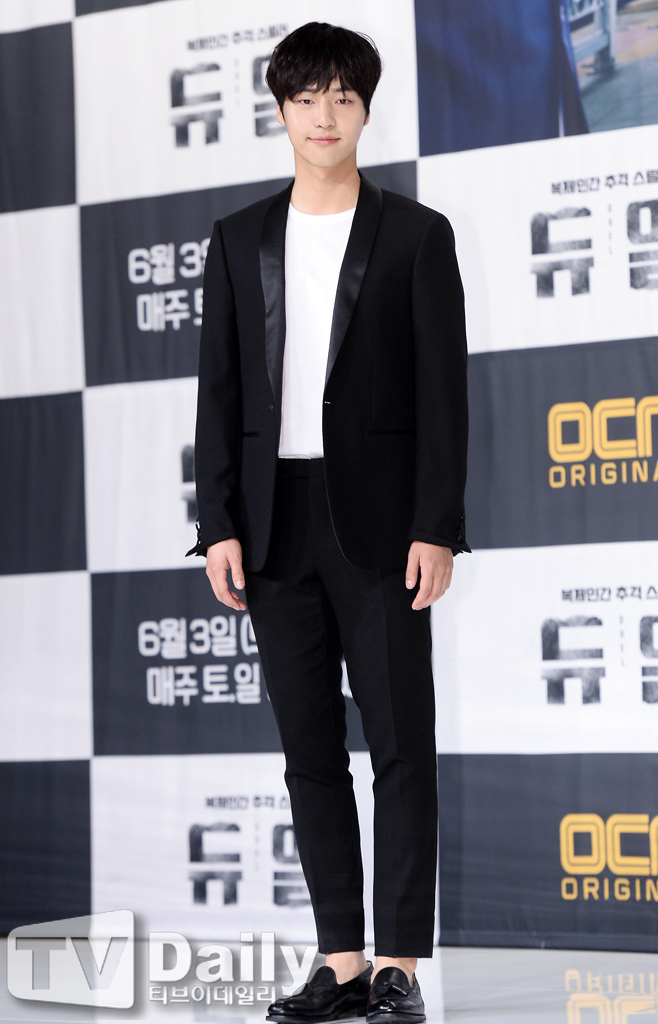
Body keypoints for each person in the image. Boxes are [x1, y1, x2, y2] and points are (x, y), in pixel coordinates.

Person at [186, 21, 470, 1024]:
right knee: (308, 751)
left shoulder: (416, 235)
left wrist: (437, 525)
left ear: (364, 110)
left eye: (342, 97)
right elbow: (218, 394)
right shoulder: (237, 239)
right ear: (280, 110)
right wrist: (218, 520)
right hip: (272, 526)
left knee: (401, 746)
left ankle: (399, 965)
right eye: (306, 98)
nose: (324, 115)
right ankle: (340, 962)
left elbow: (444, 396)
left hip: (383, 527)